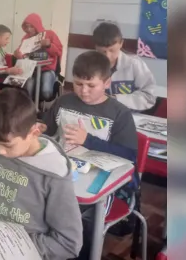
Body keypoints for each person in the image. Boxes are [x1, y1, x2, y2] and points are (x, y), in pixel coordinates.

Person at [0, 89, 82, 259]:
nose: (0, 151)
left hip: (26, 252)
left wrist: (18, 244)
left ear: (34, 132)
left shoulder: (54, 173)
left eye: (8, 145)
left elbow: (69, 243)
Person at [42, 51, 138, 260]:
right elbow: (46, 132)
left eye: (91, 85)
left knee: (82, 219)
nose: (83, 91)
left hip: (101, 184)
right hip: (62, 174)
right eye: (77, 84)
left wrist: (88, 140)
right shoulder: (64, 102)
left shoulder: (119, 113)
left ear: (106, 82)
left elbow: (129, 155)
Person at [92, 22, 157, 112]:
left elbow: (149, 97)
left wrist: (116, 99)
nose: (107, 56)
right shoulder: (90, 64)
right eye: (103, 52)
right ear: (95, 47)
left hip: (130, 116)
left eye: (112, 50)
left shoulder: (134, 64)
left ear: (121, 43)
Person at [14, 13, 62, 102]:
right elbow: (19, 51)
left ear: (37, 25)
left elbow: (58, 51)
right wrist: (17, 53)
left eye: (31, 26)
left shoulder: (50, 34)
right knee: (28, 89)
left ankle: (53, 93)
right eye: (26, 27)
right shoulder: (25, 38)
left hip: (47, 69)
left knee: (46, 92)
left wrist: (49, 45)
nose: (28, 29)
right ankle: (32, 108)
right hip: (31, 70)